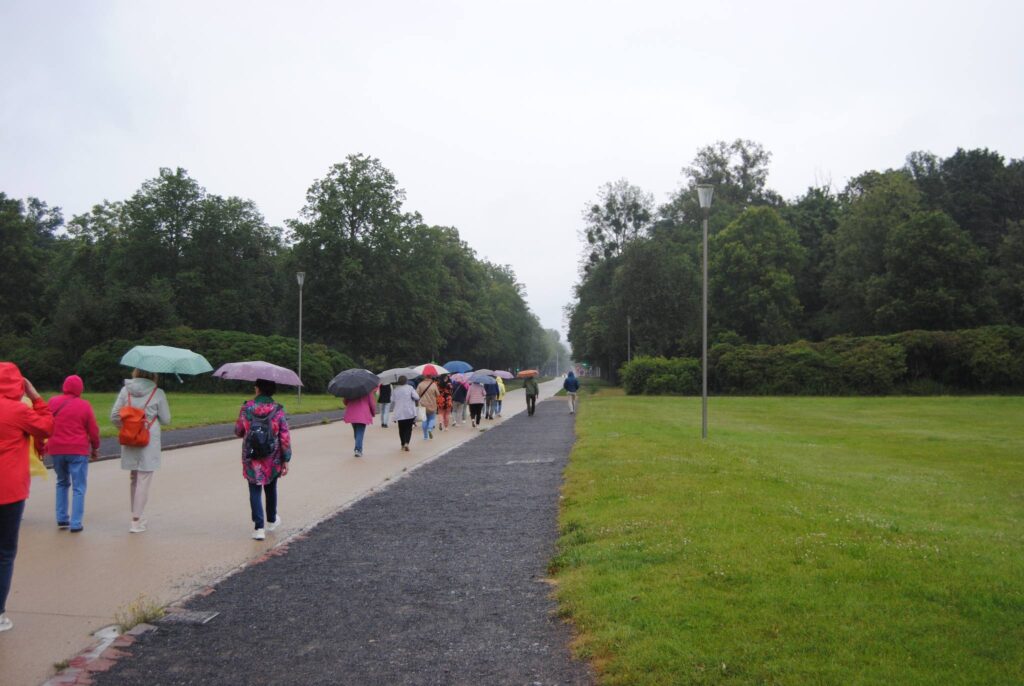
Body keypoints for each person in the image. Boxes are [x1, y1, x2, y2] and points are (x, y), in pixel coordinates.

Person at [0, 362, 53, 632]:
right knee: (5, 552)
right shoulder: (18, 410)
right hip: (9, 490)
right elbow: (45, 428)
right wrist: (35, 397)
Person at [111, 369, 170, 534]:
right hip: (148, 437)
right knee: (144, 478)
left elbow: (115, 415)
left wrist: (126, 428)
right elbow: (166, 419)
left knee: (134, 477)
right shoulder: (158, 393)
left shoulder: (125, 390)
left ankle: (136, 514)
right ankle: (136, 519)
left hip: (130, 437)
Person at [234, 379, 291, 541]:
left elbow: (238, 430)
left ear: (258, 389)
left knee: (254, 488)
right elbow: (284, 435)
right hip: (271, 456)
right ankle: (272, 520)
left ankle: (259, 528)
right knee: (271, 486)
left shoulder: (246, 407)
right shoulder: (278, 410)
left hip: (251, 455)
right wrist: (286, 458)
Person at [46, 375, 100, 533]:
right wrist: (95, 447)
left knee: (62, 482)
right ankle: (76, 523)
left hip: (56, 449)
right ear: (80, 389)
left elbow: (46, 423)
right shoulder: (84, 405)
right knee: (79, 487)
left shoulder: (53, 402)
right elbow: (93, 430)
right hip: (77, 449)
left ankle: (62, 517)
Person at [343, 389, 376, 458]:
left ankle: (358, 447)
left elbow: (345, 402)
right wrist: (373, 412)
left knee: (356, 432)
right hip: (362, 414)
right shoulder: (367, 391)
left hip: (352, 413)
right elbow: (371, 403)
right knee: (360, 432)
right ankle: (358, 449)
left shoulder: (349, 390)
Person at [390, 376, 419, 451]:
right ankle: (407, 442)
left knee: (401, 429)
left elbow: (392, 399)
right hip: (409, 411)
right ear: (406, 381)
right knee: (408, 428)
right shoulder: (410, 388)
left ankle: (402, 444)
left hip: (399, 412)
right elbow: (417, 397)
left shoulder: (395, 389)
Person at [416, 375, 439, 440]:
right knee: (432, 418)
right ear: (431, 377)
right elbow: (438, 394)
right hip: (432, 404)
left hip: (422, 404)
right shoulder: (434, 384)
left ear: (424, 377)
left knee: (424, 420)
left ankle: (425, 436)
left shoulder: (420, 384)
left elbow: (416, 395)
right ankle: (430, 428)